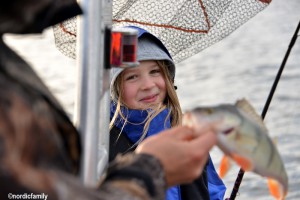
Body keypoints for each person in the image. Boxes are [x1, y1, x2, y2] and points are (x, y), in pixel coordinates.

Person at [109, 26, 226, 200]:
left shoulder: (187, 135)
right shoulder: (100, 145)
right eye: (132, 76)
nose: (148, 85)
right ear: (114, 88)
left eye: (155, 71)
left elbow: (212, 190)